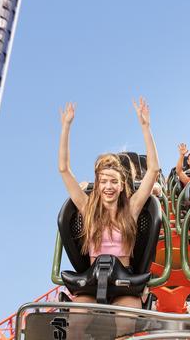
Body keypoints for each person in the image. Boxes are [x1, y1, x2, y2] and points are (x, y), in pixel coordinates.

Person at [58, 97, 160, 309]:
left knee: (127, 315)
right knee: (77, 317)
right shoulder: (88, 209)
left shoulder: (131, 209)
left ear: (122, 186)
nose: (108, 186)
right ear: (97, 185)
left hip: (124, 281)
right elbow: (64, 170)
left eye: (114, 181)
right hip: (94, 279)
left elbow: (153, 171)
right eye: (103, 181)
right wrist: (66, 127)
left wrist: (146, 128)